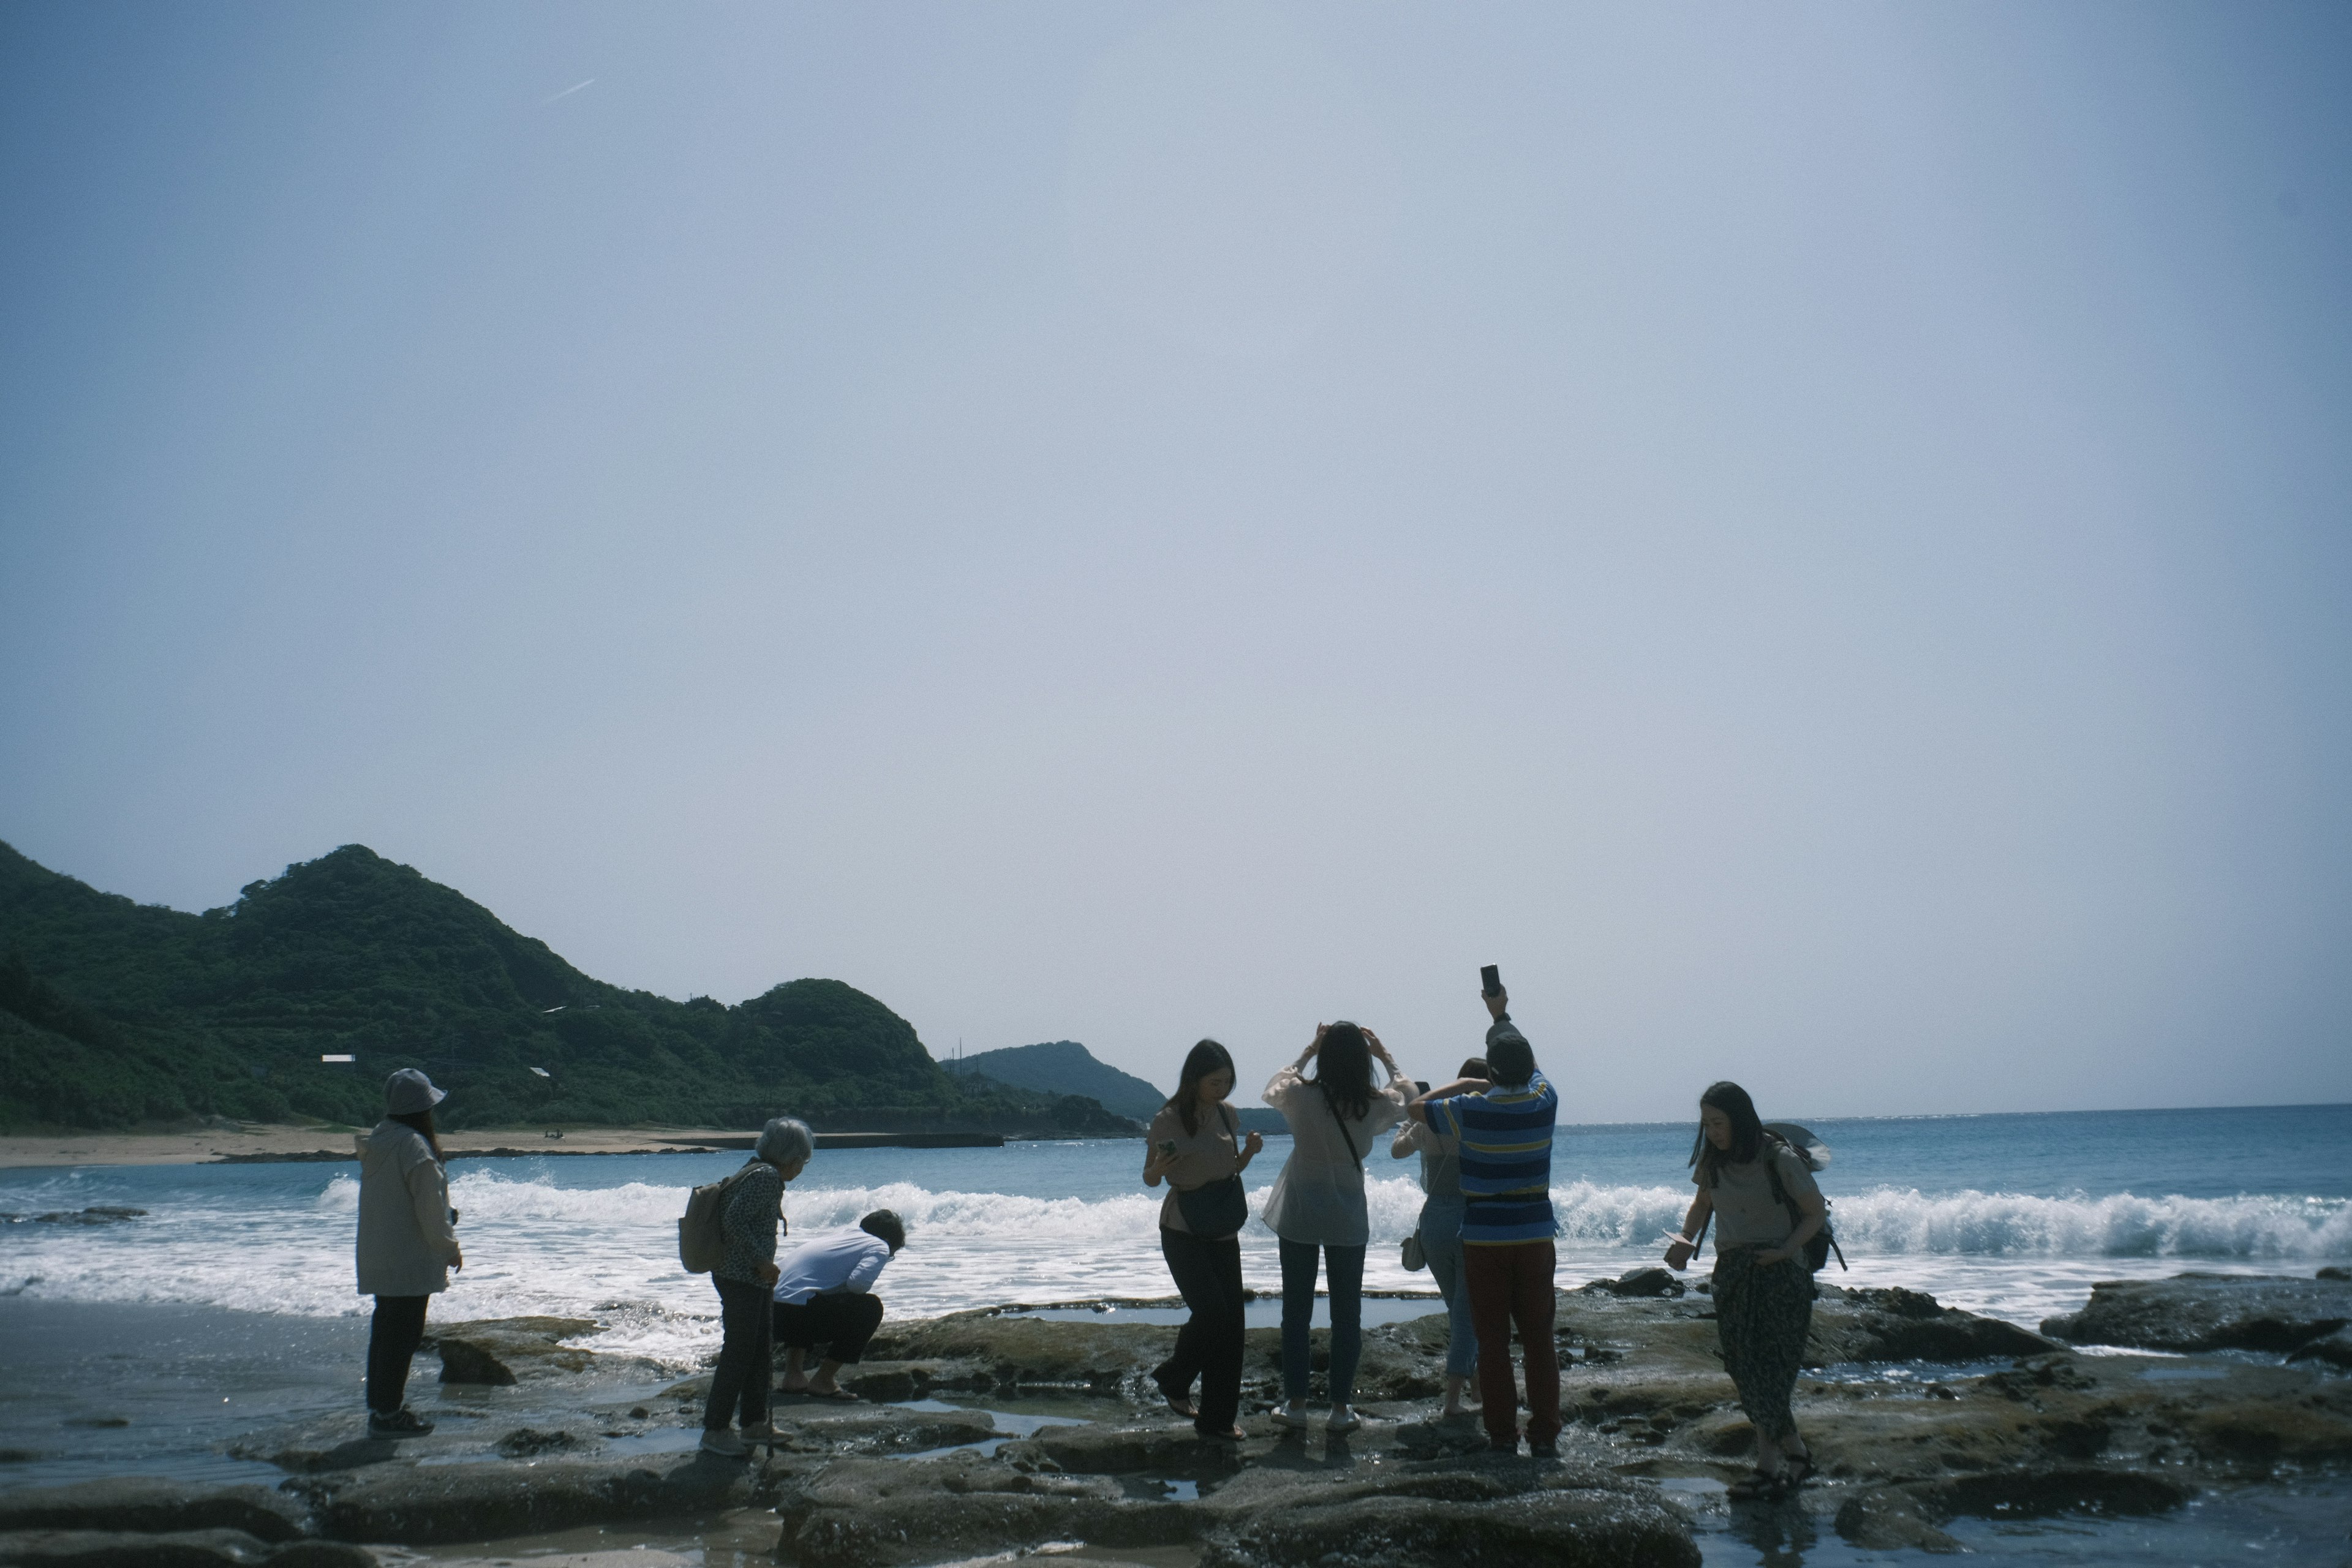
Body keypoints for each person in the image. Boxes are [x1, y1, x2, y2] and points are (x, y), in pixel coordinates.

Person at [1409, 986, 1561, 1457]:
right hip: (1535, 1233)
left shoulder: (1471, 1109)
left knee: (1492, 1339)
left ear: (1491, 1072)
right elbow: (1531, 1067)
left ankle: (1501, 1435)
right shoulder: (1544, 1101)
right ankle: (1545, 1435)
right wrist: (1501, 1015)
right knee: (1539, 1338)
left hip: (1484, 1237)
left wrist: (1465, 1085)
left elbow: (1416, 1108)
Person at [1662, 1081, 1826, 1498]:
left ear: (1739, 1118)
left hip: (1782, 1272)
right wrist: (1684, 1240)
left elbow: (1814, 1213)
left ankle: (1768, 1466)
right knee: (1742, 1367)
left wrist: (1787, 1250)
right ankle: (1798, 1456)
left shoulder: (1779, 1158)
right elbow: (1703, 1203)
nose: (1713, 1131)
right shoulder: (1714, 1160)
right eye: (1707, 1124)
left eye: (1719, 1123)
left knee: (1771, 1370)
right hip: (1733, 1270)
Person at [1261, 1021, 1410, 1433]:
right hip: (1346, 1216)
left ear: (1325, 1055)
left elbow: (1272, 1086)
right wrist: (1385, 1055)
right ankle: (1341, 1410)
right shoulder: (1372, 1103)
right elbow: (1413, 1099)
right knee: (1347, 1316)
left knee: (1296, 1312)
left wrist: (1309, 1049)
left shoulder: (1299, 1096)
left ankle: (1296, 1405)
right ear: (1363, 1061)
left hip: (1301, 1212)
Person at [1142, 1039, 1265, 1441]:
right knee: (1213, 1313)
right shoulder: (1168, 1120)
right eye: (1215, 1082)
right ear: (1194, 1079)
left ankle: (1217, 1419)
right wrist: (1158, 1167)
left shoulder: (1228, 1115)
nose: (1223, 1090)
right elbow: (1150, 1177)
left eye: (1228, 1082)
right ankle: (1174, 1380)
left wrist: (1248, 1154)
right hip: (1183, 1228)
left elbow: (1228, 1168)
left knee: (1232, 1325)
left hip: (1223, 1228)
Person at [355, 1068, 464, 1438]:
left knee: (386, 1333)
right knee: (403, 1337)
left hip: (379, 1254)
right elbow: (429, 1209)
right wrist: (450, 1248)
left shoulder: (381, 1138)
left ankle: (381, 1409)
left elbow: (399, 1202)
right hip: (407, 1258)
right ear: (423, 1108)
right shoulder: (414, 1145)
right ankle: (389, 1414)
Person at [703, 1115, 813, 1457]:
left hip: (745, 1276)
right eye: (803, 1162)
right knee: (740, 1352)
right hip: (742, 1277)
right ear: (792, 1158)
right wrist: (761, 1261)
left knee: (758, 1350)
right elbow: (734, 1219)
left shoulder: (754, 1169)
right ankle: (715, 1429)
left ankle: (754, 1423)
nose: (802, 1169)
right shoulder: (766, 1177)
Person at [1391, 1056, 1489, 1419]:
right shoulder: (1482, 1119)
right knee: (1467, 1313)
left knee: (1458, 1309)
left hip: (1433, 1222)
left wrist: (1407, 1122)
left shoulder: (1433, 1116)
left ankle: (1476, 1386)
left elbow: (1397, 1150)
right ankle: (1452, 1402)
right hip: (1471, 1221)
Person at [772, 1209, 907, 1401]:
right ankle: (824, 1380)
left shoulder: (839, 1238)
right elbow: (858, 1284)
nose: (888, 1257)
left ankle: (793, 1376)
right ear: (888, 1240)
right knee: (870, 1307)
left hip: (769, 1312)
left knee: (808, 1295)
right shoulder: (879, 1245)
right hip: (793, 1316)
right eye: (891, 1255)